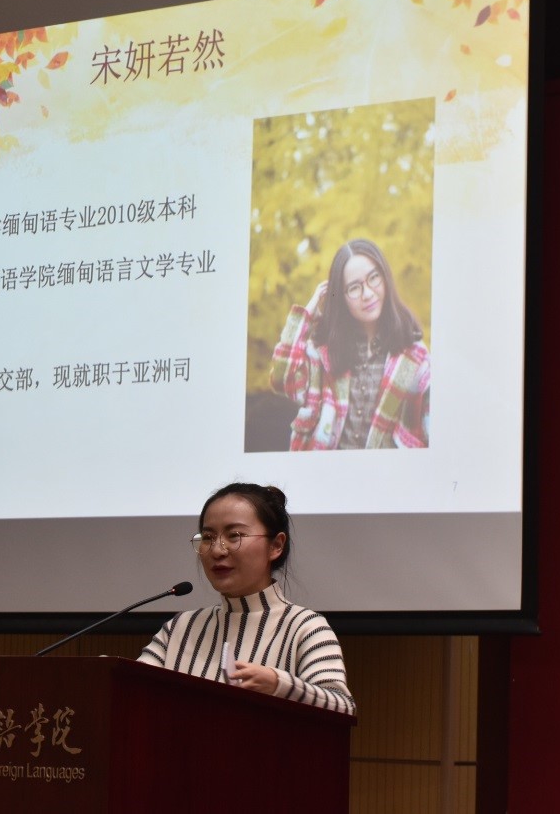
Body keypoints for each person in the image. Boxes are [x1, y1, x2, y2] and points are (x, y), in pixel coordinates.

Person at [138, 483, 355, 715]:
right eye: (208, 537)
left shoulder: (305, 628)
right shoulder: (180, 629)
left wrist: (279, 685)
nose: (217, 550)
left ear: (276, 545)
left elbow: (343, 707)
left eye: (234, 536)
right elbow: (129, 691)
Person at [270, 237, 430, 450]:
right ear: (341, 297)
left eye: (374, 278)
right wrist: (307, 315)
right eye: (354, 288)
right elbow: (281, 379)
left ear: (385, 278)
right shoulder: (324, 351)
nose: (368, 294)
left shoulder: (415, 357)